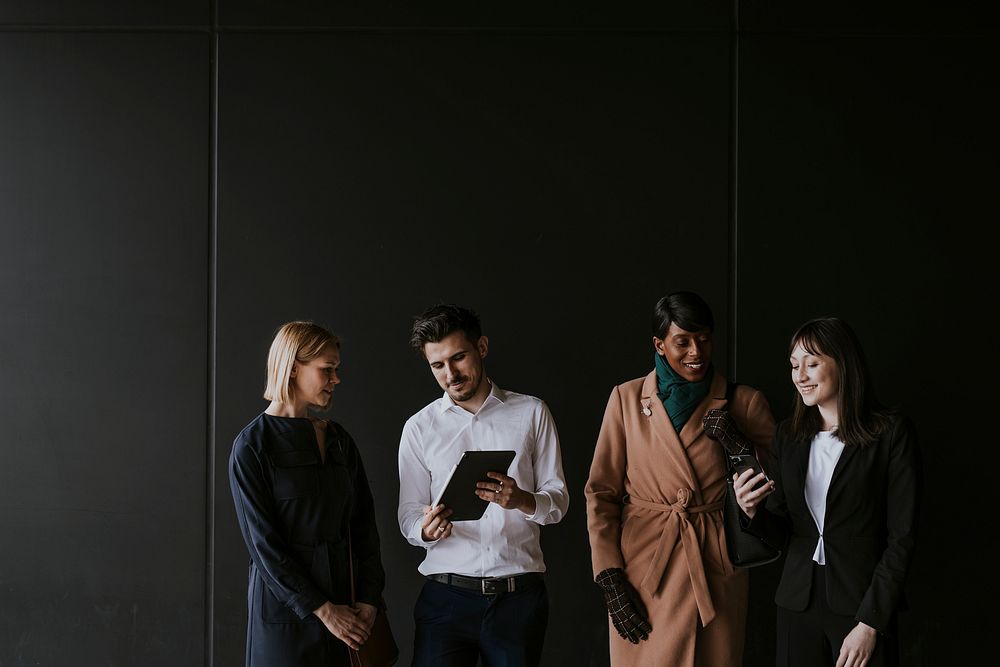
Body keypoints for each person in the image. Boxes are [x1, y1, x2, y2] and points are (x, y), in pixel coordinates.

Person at [585, 291, 776, 666]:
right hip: (644, 568)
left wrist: (738, 445)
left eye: (704, 339)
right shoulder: (626, 399)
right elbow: (601, 493)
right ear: (659, 344)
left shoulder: (744, 402)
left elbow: (780, 483)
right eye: (682, 342)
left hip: (714, 564)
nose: (696, 352)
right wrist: (609, 578)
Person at [734, 317, 920, 667]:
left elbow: (903, 538)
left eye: (812, 363)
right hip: (795, 603)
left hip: (862, 605)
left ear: (844, 363)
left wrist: (870, 623)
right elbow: (782, 532)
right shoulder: (787, 436)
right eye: (794, 365)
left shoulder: (891, 433)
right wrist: (751, 512)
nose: (800, 376)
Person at [397, 303, 569, 667]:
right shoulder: (419, 427)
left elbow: (558, 502)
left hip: (518, 600)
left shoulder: (532, 412)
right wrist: (424, 530)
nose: (451, 374)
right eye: (437, 365)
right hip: (446, 598)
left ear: (482, 348)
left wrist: (521, 499)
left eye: (459, 357)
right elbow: (408, 514)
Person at [229, 321, 388, 666]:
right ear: (293, 367)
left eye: (336, 369)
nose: (336, 379)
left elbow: (364, 529)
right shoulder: (251, 446)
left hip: (350, 613)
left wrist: (370, 598)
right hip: (286, 617)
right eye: (327, 369)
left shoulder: (339, 440)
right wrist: (323, 610)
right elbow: (264, 547)